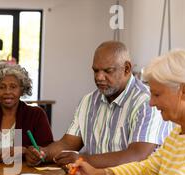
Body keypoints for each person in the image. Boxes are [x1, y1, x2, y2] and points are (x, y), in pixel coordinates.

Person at [70, 49, 185, 175]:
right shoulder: (177, 133)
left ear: (184, 91)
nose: (151, 103)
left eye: (157, 94)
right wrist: (102, 173)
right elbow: (147, 169)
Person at [26, 41, 172, 168]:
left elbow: (137, 156)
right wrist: (43, 153)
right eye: (95, 71)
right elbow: (67, 144)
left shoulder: (147, 102)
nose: (99, 77)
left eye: (107, 71)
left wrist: (83, 160)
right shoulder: (88, 101)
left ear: (127, 69)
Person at [0, 62, 53, 161]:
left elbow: (48, 152)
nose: (7, 92)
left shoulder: (36, 115)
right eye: (2, 87)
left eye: (13, 87)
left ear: (22, 89)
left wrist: (24, 150)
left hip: (25, 174)